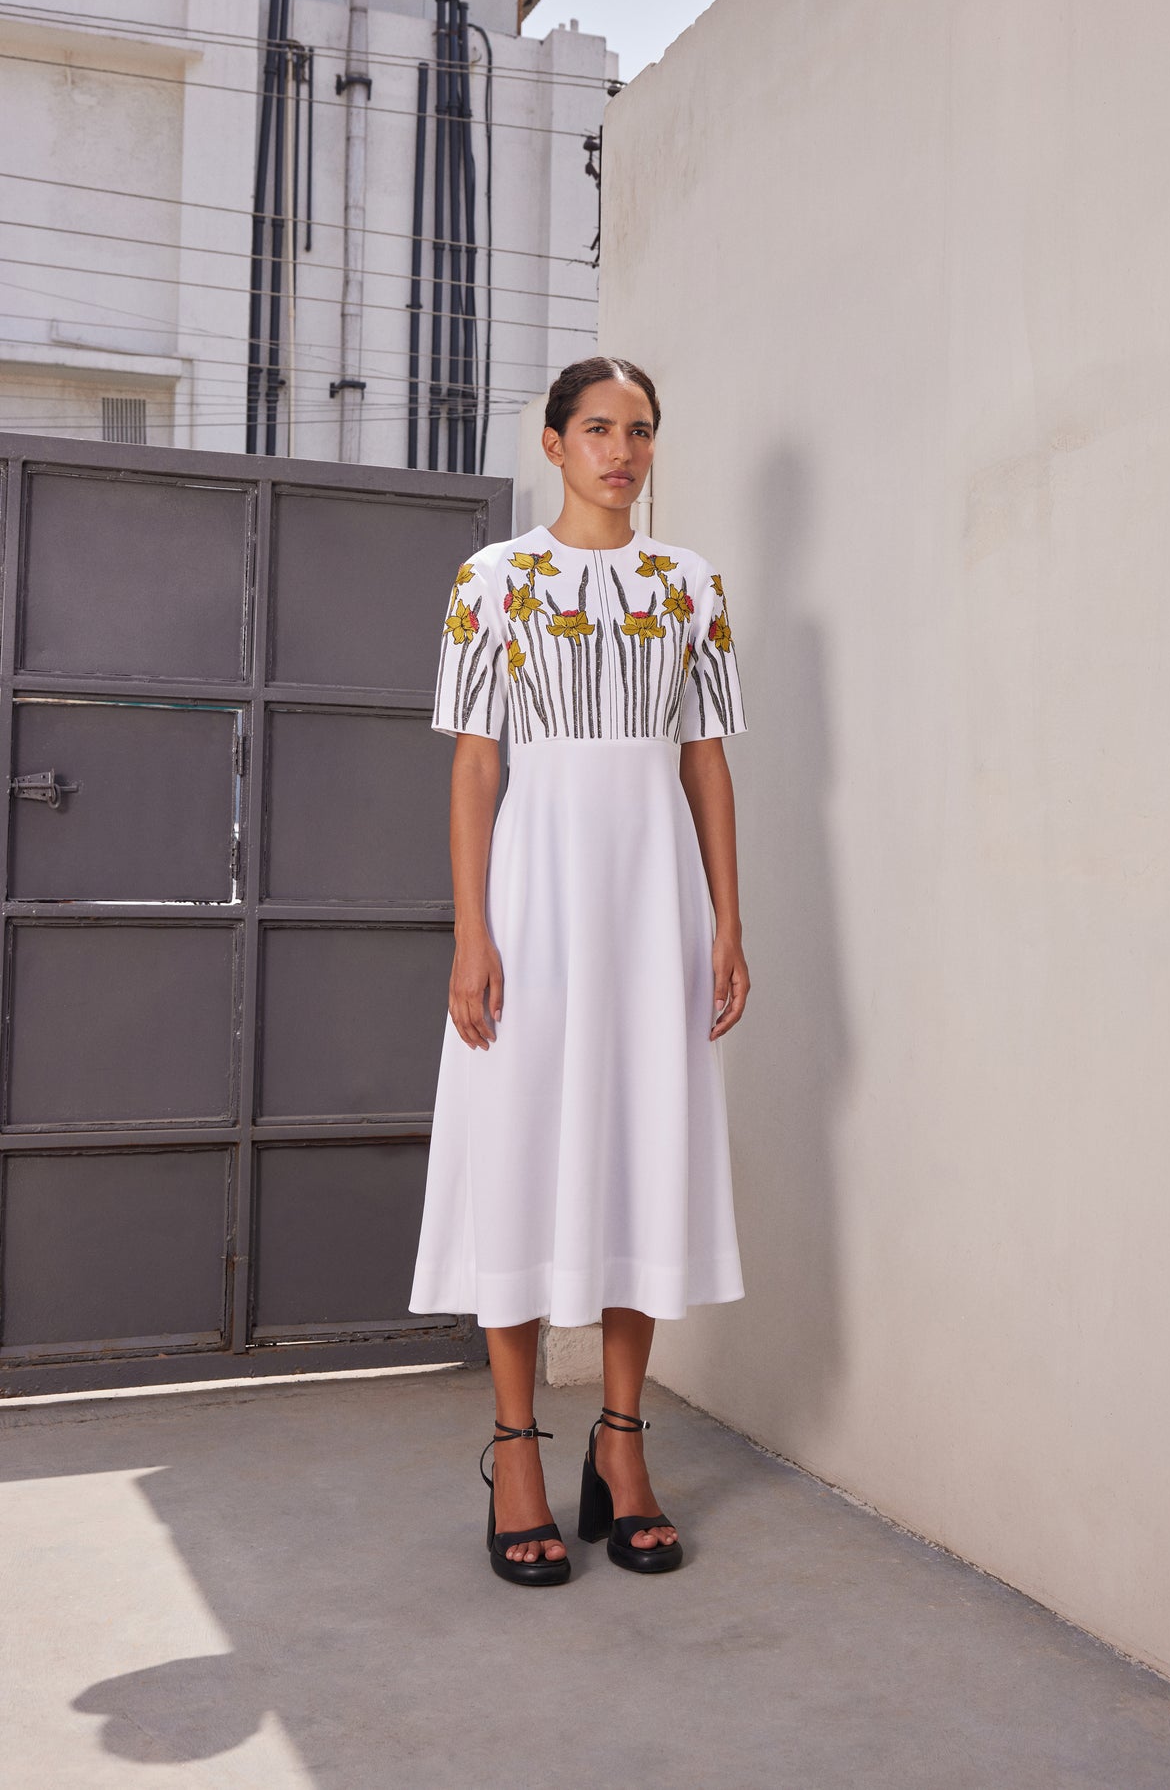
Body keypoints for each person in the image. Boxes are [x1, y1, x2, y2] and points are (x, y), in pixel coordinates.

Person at [409, 354, 750, 1585]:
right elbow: (475, 764)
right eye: (598, 427)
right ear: (552, 443)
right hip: (532, 896)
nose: (622, 450)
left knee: (638, 1141)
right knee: (515, 1140)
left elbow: (704, 759)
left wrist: (725, 920)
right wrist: (472, 931)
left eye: (640, 430)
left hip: (652, 898)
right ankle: (514, 1446)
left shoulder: (689, 583)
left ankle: (620, 1440)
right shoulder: (494, 579)